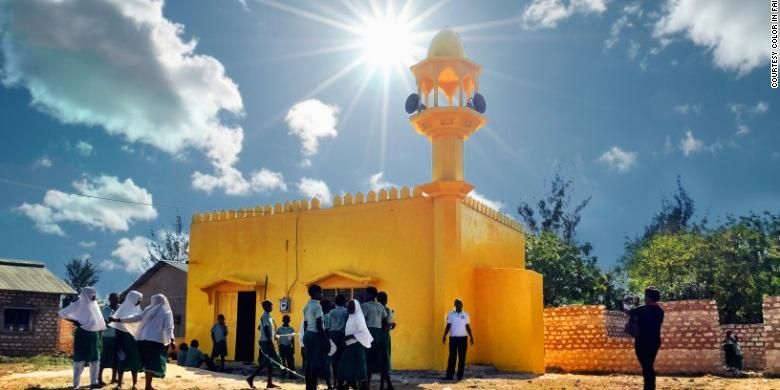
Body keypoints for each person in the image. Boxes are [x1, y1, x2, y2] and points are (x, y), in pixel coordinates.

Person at [111, 294, 175, 390]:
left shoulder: (148, 310)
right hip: (156, 341)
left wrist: (119, 319)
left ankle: (147, 386)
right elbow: (169, 327)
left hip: (142, 340)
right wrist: (172, 340)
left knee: (147, 363)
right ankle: (148, 386)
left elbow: (136, 317)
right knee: (152, 364)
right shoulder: (166, 312)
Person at [59, 287, 107, 390]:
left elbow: (99, 321)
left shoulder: (94, 305)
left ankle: (94, 382)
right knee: (80, 359)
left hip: (94, 335)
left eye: (95, 295)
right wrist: (75, 321)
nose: (94, 297)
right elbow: (61, 313)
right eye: (92, 295)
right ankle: (76, 384)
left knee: (95, 359)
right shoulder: (78, 304)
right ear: (86, 295)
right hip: (82, 334)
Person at [629, 287, 664, 390]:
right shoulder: (660, 311)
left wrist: (634, 305)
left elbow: (631, 313)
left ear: (648, 297)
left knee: (647, 367)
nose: (644, 298)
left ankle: (649, 387)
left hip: (642, 343)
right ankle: (650, 387)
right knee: (648, 366)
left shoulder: (640, 309)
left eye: (645, 296)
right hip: (655, 343)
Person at [110, 290, 143, 389]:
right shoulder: (122, 310)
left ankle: (134, 384)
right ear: (132, 299)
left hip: (134, 339)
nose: (139, 301)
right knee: (122, 360)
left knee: (135, 360)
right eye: (138, 299)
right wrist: (118, 341)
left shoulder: (138, 310)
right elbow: (118, 325)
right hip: (124, 338)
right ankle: (119, 384)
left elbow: (138, 321)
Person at [337, 299, 372, 390]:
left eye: (351, 306)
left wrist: (350, 337)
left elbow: (363, 333)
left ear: (356, 307)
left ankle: (360, 385)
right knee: (352, 366)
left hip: (357, 346)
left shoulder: (358, 318)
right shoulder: (351, 317)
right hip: (351, 345)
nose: (348, 307)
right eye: (348, 306)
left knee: (345, 365)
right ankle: (351, 384)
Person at [247, 300, 281, 389]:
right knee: (266, 362)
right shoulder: (265, 316)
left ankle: (269, 383)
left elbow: (260, 327)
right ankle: (251, 378)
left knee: (269, 362)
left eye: (271, 305)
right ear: (265, 307)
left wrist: (273, 336)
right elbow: (265, 329)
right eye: (269, 305)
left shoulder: (268, 316)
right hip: (266, 341)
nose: (271, 307)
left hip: (266, 340)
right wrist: (270, 340)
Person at [303, 284, 330, 390]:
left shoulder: (306, 306)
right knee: (315, 363)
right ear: (314, 293)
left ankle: (308, 385)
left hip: (308, 334)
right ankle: (313, 385)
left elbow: (305, 324)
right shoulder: (317, 306)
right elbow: (319, 326)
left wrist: (305, 337)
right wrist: (327, 341)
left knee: (308, 362)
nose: (321, 294)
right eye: (320, 292)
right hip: (315, 335)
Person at [442, 298, 473, 381]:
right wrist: (444, 336)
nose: (460, 305)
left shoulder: (466, 315)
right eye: (458, 304)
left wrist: (471, 337)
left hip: (463, 339)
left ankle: (460, 376)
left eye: (461, 304)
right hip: (453, 339)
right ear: (455, 305)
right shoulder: (451, 315)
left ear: (462, 305)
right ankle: (449, 376)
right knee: (452, 357)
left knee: (462, 358)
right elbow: (448, 326)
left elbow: (467, 326)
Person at [99, 292, 119, 386]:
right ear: (110, 299)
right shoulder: (104, 310)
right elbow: (103, 323)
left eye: (117, 298)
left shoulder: (120, 309)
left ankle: (114, 378)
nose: (116, 300)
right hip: (108, 336)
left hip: (119, 336)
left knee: (116, 358)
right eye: (114, 299)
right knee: (105, 357)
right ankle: (99, 378)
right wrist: (111, 323)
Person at [376, 292, 394, 390]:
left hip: (375, 336)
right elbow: (386, 326)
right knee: (384, 362)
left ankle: (384, 385)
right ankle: (386, 385)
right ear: (386, 300)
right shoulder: (386, 310)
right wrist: (391, 325)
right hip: (384, 337)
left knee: (379, 362)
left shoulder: (375, 309)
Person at [328, 295, 348, 382]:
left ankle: (335, 379)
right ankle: (341, 379)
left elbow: (328, 325)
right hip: (342, 335)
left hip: (332, 335)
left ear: (335, 302)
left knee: (334, 358)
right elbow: (347, 324)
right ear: (344, 302)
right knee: (342, 358)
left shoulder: (331, 312)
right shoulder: (346, 312)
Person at [277, 315, 296, 379]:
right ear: (282, 320)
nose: (286, 321)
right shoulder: (279, 329)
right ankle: (283, 373)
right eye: (285, 319)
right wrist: (279, 347)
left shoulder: (291, 329)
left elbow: (293, 340)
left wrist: (293, 348)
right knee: (282, 362)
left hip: (288, 347)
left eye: (287, 319)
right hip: (282, 347)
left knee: (290, 361)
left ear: (289, 321)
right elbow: (277, 339)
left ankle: (291, 375)